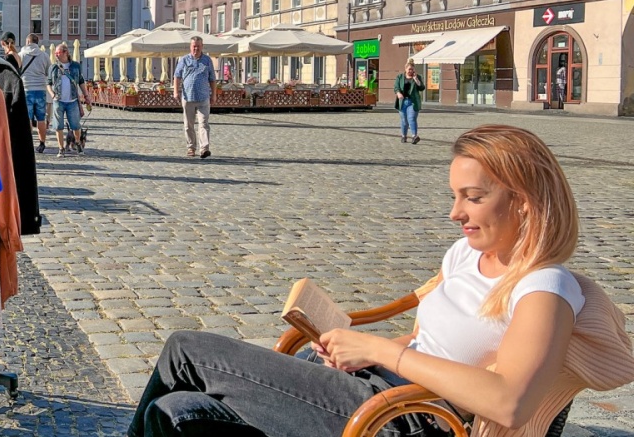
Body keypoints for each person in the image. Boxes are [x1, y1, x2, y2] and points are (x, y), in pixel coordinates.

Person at [129, 124, 623, 437]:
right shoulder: (469, 255)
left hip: (407, 419)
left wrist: (380, 351)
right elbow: (434, 339)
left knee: (186, 351)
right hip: (373, 386)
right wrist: (363, 350)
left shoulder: (544, 288)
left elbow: (510, 403)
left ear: (523, 202)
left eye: (472, 197)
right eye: (455, 196)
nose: (455, 213)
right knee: (179, 408)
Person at [173, 36, 216, 159]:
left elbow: (212, 79)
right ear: (190, 47)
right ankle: (191, 147)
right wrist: (176, 91)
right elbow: (177, 76)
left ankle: (204, 148)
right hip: (188, 97)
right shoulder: (184, 60)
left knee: (203, 123)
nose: (196, 48)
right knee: (189, 124)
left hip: (203, 97)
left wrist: (214, 95)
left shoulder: (207, 60)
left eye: (198, 46)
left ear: (202, 46)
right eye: (194, 46)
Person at [47, 42, 90, 158]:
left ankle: (77, 143)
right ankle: (61, 148)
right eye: (55, 53)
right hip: (58, 100)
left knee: (76, 125)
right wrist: (52, 94)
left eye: (58, 53)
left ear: (66, 53)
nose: (56, 55)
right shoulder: (53, 67)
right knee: (58, 125)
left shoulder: (75, 66)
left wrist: (86, 96)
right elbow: (48, 83)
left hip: (72, 100)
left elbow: (81, 81)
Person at [18, 34, 52, 153]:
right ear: (37, 42)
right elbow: (49, 72)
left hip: (26, 89)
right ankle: (42, 142)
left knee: (27, 118)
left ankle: (28, 143)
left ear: (27, 41)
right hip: (41, 89)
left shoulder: (21, 55)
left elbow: (17, 71)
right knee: (41, 118)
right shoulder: (44, 55)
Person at [395, 59, 426, 144]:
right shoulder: (400, 77)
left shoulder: (417, 77)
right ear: (405, 69)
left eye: (412, 69)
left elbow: (422, 88)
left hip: (413, 102)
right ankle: (403, 136)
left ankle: (414, 136)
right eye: (409, 69)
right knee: (404, 120)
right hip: (403, 101)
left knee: (412, 118)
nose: (410, 71)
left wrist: (417, 80)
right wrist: (398, 93)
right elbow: (396, 87)